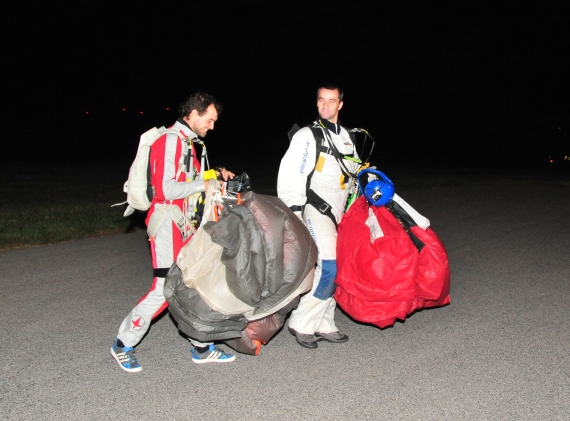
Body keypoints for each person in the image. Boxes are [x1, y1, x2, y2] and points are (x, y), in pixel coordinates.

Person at [111, 92, 236, 372]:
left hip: (183, 225)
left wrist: (215, 175)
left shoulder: (190, 143)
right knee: (164, 288)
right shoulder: (170, 140)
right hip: (167, 223)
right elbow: (166, 189)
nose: (212, 126)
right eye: (209, 119)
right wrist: (204, 185)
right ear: (193, 113)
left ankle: (201, 347)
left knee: (190, 284)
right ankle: (122, 343)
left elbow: (188, 179)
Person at [277, 85, 361, 349]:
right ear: (317, 104)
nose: (326, 106)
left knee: (337, 268)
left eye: (331, 101)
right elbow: (292, 174)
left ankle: (325, 323)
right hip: (315, 209)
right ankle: (302, 322)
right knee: (329, 265)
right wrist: (295, 212)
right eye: (321, 101)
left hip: (340, 214)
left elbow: (353, 178)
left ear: (340, 105)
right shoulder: (307, 135)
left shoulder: (348, 137)